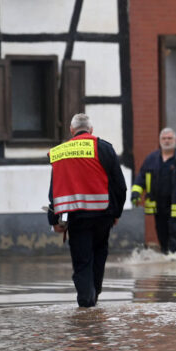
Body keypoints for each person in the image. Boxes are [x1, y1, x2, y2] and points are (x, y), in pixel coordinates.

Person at [47, 113, 127, 308]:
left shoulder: (59, 152)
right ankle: (94, 298)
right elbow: (120, 186)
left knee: (82, 261)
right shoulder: (104, 148)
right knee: (99, 255)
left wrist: (54, 219)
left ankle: (86, 302)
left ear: (71, 130)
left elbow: (54, 190)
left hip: (77, 217)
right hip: (103, 214)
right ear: (91, 130)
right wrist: (116, 213)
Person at [131, 128, 176, 253]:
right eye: (164, 138)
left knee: (175, 235)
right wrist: (135, 193)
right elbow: (141, 178)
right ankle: (166, 257)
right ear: (160, 140)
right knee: (162, 235)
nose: (167, 141)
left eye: (169, 138)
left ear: (175, 140)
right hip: (158, 206)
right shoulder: (151, 159)